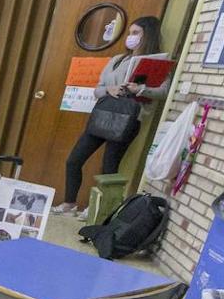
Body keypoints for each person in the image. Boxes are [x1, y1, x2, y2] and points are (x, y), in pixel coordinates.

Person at [54, 16, 169, 216]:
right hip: (103, 115)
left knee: (109, 166)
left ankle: (98, 210)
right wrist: (110, 89)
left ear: (147, 36)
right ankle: (69, 203)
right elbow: (97, 89)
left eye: (135, 33)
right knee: (74, 160)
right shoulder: (117, 59)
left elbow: (163, 91)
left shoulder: (156, 63)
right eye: (130, 33)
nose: (130, 37)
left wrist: (140, 89)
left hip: (129, 120)